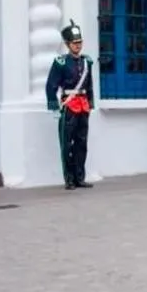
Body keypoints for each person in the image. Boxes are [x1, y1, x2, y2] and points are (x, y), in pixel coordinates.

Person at [45, 20, 95, 190]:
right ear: (67, 44)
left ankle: (80, 177)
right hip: (69, 105)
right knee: (67, 143)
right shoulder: (60, 62)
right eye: (74, 43)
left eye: (79, 42)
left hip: (83, 105)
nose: (77, 46)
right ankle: (69, 179)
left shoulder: (87, 62)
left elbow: (89, 85)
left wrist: (91, 102)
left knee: (82, 143)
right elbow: (51, 84)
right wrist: (53, 106)